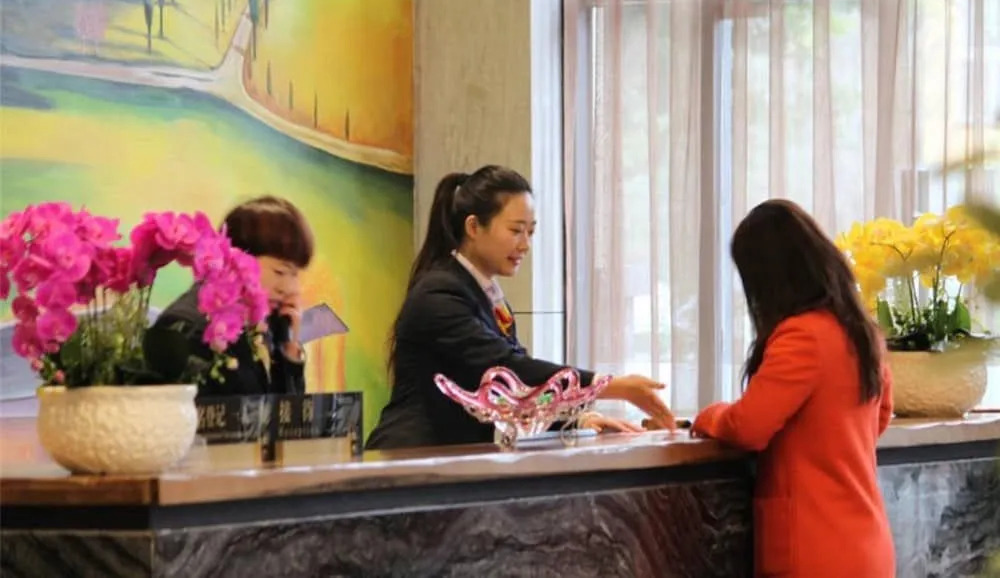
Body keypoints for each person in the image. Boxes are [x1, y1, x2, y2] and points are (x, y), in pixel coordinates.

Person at [366, 165, 676, 450]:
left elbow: (512, 398)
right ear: (473, 227)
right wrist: (609, 386)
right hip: (412, 456)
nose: (525, 244)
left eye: (531, 231)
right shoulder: (439, 294)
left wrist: (577, 421)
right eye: (515, 231)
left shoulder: (484, 294)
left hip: (452, 458)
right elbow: (508, 371)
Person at [691, 200, 895, 578]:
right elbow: (879, 418)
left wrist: (710, 416)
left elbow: (747, 427)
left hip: (814, 547)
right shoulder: (861, 332)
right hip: (867, 544)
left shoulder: (802, 335)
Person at [152, 196, 313, 397]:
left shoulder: (260, 325)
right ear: (238, 256)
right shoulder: (187, 326)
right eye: (280, 272)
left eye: (294, 274)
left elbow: (285, 414)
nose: (289, 288)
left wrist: (289, 349)